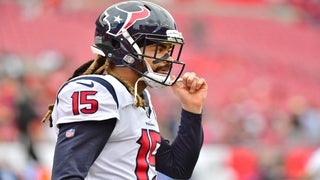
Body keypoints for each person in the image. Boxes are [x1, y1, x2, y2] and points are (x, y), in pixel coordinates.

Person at [41, 1, 208, 179]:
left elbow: (178, 168)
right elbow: (67, 176)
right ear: (120, 46)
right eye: (158, 48)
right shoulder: (100, 92)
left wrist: (192, 109)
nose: (168, 58)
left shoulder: (138, 96)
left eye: (169, 49)